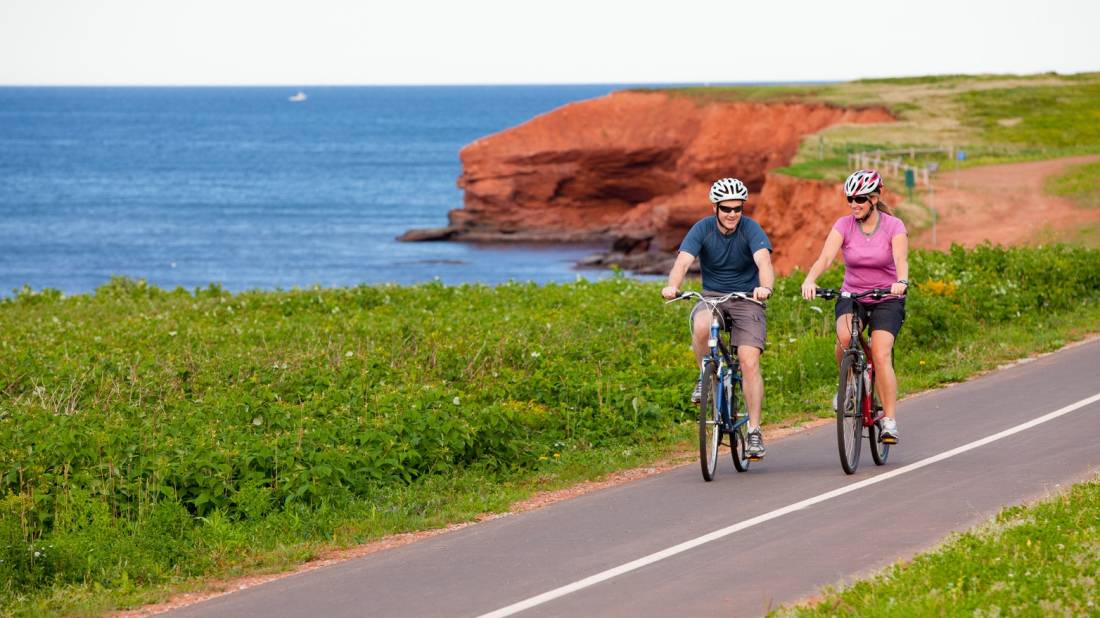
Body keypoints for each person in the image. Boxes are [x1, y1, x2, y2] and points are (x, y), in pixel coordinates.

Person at [661, 177, 775, 459]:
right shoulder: (701, 229)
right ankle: (704, 374)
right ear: (716, 207)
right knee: (701, 326)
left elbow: (764, 261)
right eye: (726, 208)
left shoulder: (751, 228)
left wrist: (765, 287)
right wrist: (672, 286)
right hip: (712, 297)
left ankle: (754, 431)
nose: (732, 214)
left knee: (749, 361)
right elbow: (683, 261)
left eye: (738, 208)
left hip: (748, 299)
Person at [799, 169, 909, 443]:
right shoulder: (844, 225)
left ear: (874, 198)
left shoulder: (894, 226)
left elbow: (901, 259)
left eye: (859, 198)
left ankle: (890, 421)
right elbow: (826, 257)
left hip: (887, 297)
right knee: (845, 337)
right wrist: (811, 279)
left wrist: (902, 281)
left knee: (881, 354)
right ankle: (848, 385)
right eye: (850, 198)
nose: (854, 204)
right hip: (853, 296)